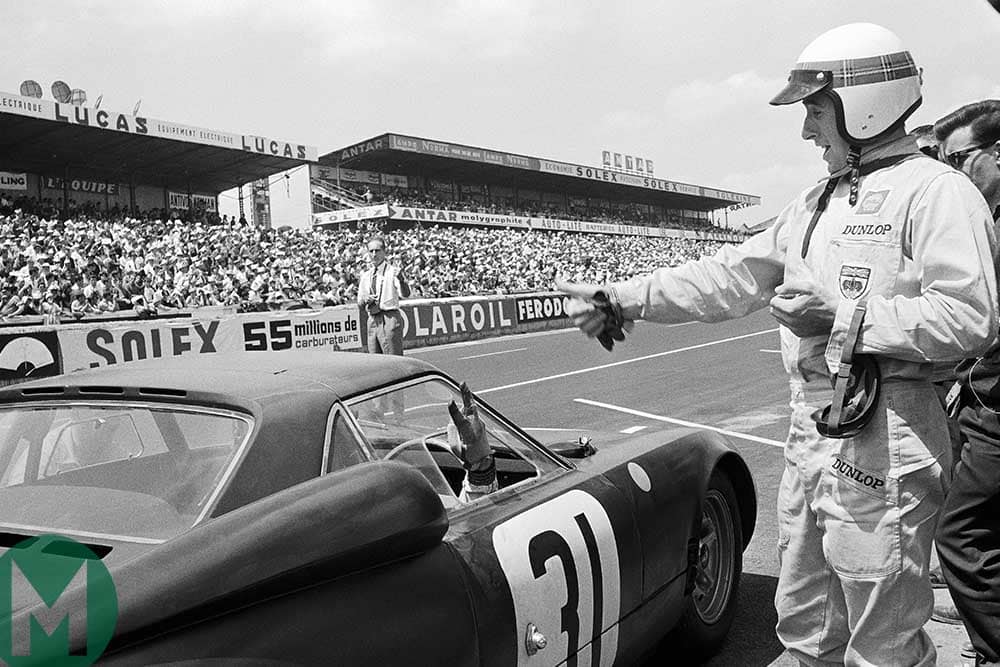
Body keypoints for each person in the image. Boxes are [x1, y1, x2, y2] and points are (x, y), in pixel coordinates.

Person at [557, 23, 998, 666]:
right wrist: (622, 298)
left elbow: (970, 317)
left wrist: (843, 317)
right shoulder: (815, 200)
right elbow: (732, 276)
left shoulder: (937, 193)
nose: (807, 129)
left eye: (815, 109)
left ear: (863, 99)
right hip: (813, 429)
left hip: (889, 433)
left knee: (883, 642)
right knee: (804, 623)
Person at [932, 100, 1000, 666]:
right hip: (977, 398)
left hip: (995, 411)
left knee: (960, 536)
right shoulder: (984, 219)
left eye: (961, 158)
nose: (952, 173)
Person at [357, 236, 410, 356]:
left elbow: (406, 294)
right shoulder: (366, 276)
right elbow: (359, 303)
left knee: (393, 358)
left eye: (377, 250)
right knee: (375, 359)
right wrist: (366, 300)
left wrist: (402, 280)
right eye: (371, 251)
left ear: (384, 252)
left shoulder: (393, 271)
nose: (374, 254)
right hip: (373, 318)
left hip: (389, 316)